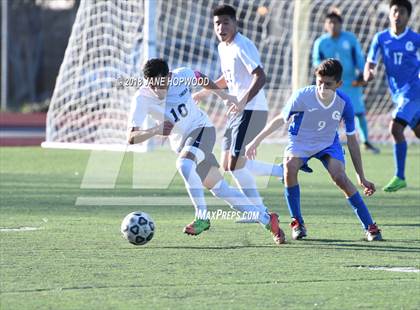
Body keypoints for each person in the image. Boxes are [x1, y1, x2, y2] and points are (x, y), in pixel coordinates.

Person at [128, 58, 285, 245]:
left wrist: (225, 96)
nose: (157, 90)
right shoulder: (142, 98)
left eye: (161, 84)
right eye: (152, 86)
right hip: (183, 143)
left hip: (202, 129)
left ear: (169, 76)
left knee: (184, 164)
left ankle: (202, 217)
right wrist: (155, 130)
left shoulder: (182, 75)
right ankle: (268, 220)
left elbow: (200, 77)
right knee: (221, 190)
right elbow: (131, 137)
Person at [246, 59, 382, 242]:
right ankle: (297, 223)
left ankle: (370, 227)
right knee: (289, 167)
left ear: (339, 84)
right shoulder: (302, 96)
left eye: (328, 84)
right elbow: (280, 119)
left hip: (327, 143)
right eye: (320, 82)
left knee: (340, 177)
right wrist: (256, 141)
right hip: (300, 142)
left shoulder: (344, 103)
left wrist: (361, 176)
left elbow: (352, 140)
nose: (323, 88)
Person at [193, 4, 312, 211]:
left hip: (252, 110)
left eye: (226, 22)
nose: (221, 27)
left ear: (235, 23)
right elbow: (228, 78)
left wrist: (242, 101)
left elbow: (260, 75)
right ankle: (278, 175)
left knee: (235, 164)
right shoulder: (223, 48)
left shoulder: (242, 45)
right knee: (228, 164)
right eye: (217, 23)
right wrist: (206, 91)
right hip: (237, 111)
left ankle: (259, 209)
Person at [364, 0, 419, 192]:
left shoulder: (415, 38)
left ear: (408, 16)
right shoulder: (380, 38)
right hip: (397, 95)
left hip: (414, 92)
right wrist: (368, 73)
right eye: (395, 10)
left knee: (395, 128)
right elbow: (370, 62)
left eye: (402, 12)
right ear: (390, 13)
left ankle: (400, 176)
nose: (398, 15)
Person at [312, 9, 380, 154]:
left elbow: (359, 58)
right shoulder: (321, 42)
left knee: (359, 112)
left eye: (335, 22)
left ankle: (366, 141)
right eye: (329, 22)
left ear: (341, 24)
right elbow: (316, 62)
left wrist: (362, 74)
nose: (332, 25)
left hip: (350, 82)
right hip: (331, 84)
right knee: (330, 112)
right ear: (325, 25)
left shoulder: (350, 39)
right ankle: (329, 141)